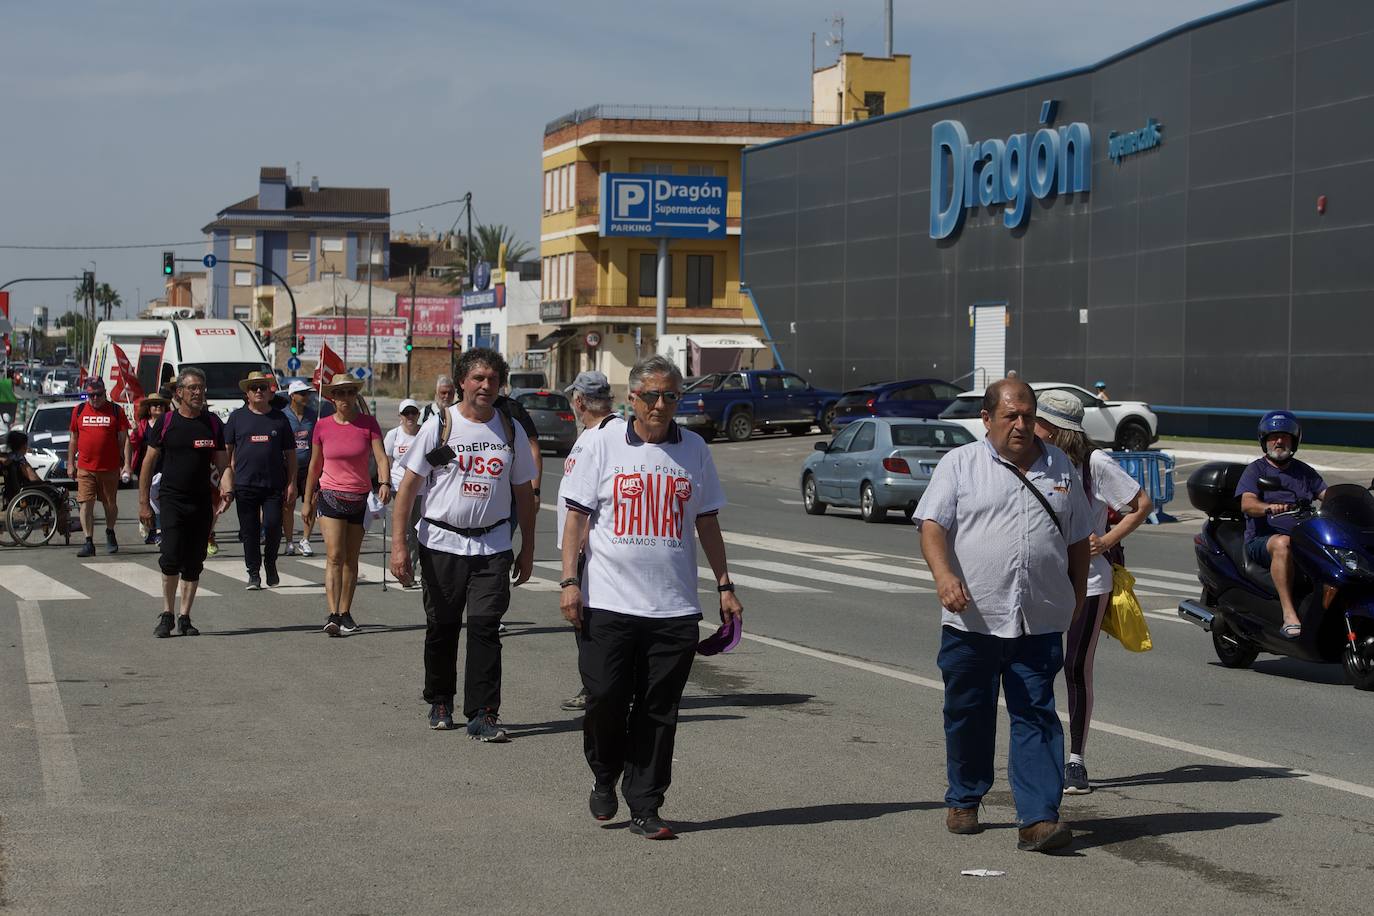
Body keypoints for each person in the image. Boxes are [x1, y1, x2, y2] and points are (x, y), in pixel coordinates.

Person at [559, 355, 741, 840]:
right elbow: (576, 519)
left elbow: (707, 522)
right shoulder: (602, 443)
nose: (661, 405)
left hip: (673, 607)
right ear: (632, 399)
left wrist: (725, 586)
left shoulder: (696, 449)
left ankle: (646, 803)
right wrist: (569, 582)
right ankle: (603, 773)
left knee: (660, 710)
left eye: (670, 396)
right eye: (651, 396)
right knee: (605, 698)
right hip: (609, 602)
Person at [914, 378, 1090, 853]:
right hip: (973, 619)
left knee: (1036, 713)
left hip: (1038, 618)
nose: (1021, 424)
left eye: (1028, 415)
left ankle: (1037, 818)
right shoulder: (960, 465)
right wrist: (944, 576)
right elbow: (932, 527)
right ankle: (966, 796)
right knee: (968, 712)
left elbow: (1077, 539)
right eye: (1011, 415)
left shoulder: (1062, 468)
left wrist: (1075, 597)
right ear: (987, 419)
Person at [389, 347, 537, 740]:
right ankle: (440, 698)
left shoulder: (510, 429)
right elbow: (408, 489)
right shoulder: (440, 425)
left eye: (492, 379)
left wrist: (529, 547)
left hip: (492, 546)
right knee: (442, 626)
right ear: (461, 383)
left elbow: (524, 493)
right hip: (441, 544)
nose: (485, 386)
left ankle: (483, 713)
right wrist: (399, 546)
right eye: (478, 378)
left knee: (486, 626)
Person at [1032, 390, 1152, 795]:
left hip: (1090, 580)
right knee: (1036, 667)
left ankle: (1076, 761)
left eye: (1037, 423)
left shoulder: (1095, 463)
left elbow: (1141, 504)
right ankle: (1039, 752)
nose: (1028, 428)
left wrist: (1106, 539)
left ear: (1056, 429)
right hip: (1043, 579)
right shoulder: (1033, 461)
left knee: (1076, 666)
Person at [138, 367, 227, 639]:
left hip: (201, 502)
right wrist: (143, 503)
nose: (198, 392)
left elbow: (224, 463)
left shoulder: (212, 423)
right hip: (171, 500)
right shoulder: (166, 423)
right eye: (192, 388)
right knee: (171, 556)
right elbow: (148, 464)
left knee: (194, 561)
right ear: (179, 393)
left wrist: (228, 489)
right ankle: (166, 614)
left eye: (201, 388)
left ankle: (185, 616)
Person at [556, 371, 623, 712]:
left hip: (591, 550)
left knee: (591, 625)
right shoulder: (596, 432)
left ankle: (596, 688)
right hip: (582, 548)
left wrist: (579, 548)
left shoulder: (604, 435)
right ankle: (597, 684)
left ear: (579, 400)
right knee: (586, 625)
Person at [303, 377, 390, 636]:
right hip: (330, 496)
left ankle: (345, 613)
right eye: (339, 393)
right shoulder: (322, 426)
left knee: (351, 559)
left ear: (355, 396)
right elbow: (314, 466)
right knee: (335, 556)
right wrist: (307, 501)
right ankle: (332, 614)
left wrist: (384, 482)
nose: (345, 397)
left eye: (350, 392)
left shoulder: (368, 424)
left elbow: (381, 457)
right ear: (332, 397)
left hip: (359, 498)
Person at [1236, 410, 1326, 639]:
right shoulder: (1256, 470)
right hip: (1263, 541)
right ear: (1264, 441)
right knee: (1283, 543)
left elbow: (1327, 494)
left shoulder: (1304, 472)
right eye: (1273, 437)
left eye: (1284, 436)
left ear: (1293, 441)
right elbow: (1247, 503)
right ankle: (1288, 614)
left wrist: (1349, 500)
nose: (1279, 441)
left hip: (1304, 539)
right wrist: (1267, 507)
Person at [220, 371, 297, 590]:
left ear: (269, 392)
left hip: (273, 484)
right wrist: (226, 480)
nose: (259, 391)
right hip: (244, 484)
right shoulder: (236, 418)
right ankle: (253, 572)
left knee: (273, 525)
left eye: (263, 387)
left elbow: (290, 454)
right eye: (254, 388)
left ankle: (270, 562)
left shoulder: (280, 418)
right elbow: (226, 453)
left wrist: (291, 483)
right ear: (247, 393)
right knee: (249, 531)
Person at [67, 375, 130, 558]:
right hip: (85, 468)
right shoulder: (79, 411)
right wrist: (71, 463)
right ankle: (89, 542)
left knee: (110, 505)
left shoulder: (116, 411)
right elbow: (73, 439)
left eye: (98, 394)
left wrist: (126, 464)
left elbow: (125, 441)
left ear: (105, 393)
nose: (95, 398)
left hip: (109, 468)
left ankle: (110, 532)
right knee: (85, 504)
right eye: (91, 395)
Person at [384, 398, 424, 589]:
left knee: (419, 531)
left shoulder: (424, 433)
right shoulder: (393, 435)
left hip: (422, 489)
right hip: (399, 489)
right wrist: (383, 484)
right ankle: (406, 572)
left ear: (418, 414)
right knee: (406, 532)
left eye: (413, 413)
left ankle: (413, 568)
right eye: (406, 413)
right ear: (400, 416)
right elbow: (385, 462)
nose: (410, 416)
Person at [126, 393, 171, 544]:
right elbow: (133, 443)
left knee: (160, 498)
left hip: (165, 465)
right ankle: (151, 528)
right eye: (154, 404)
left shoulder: (170, 423)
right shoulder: (143, 425)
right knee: (149, 499)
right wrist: (133, 431)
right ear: (148, 408)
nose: (158, 406)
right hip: (146, 467)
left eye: (160, 404)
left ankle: (160, 529)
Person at [282, 379, 318, 556]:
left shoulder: (313, 416)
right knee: (288, 504)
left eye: (308, 393)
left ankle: (305, 540)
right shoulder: (283, 416)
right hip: (288, 467)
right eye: (302, 394)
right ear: (292, 396)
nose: (306, 397)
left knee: (311, 503)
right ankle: (289, 541)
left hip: (309, 467)